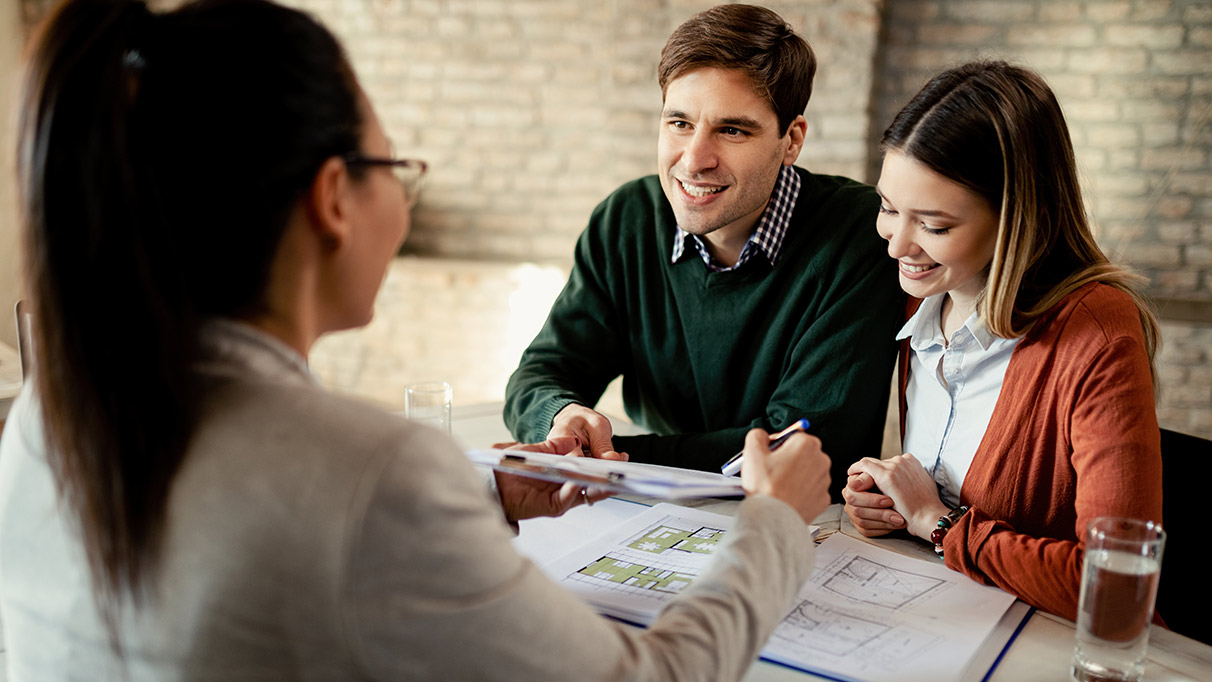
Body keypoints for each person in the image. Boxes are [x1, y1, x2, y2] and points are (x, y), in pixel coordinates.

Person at [0, 0, 835, 678]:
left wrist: (485, 499)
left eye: (732, 129)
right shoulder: (377, 471)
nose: (695, 155)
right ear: (334, 199)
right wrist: (770, 525)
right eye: (394, 165)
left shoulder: (51, 408)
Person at [503, 4, 903, 498]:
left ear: (791, 139)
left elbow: (807, 446)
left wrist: (611, 463)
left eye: (732, 130)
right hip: (643, 510)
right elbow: (539, 375)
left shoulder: (859, 235)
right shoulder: (626, 219)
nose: (695, 160)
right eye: (679, 123)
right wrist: (563, 419)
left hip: (797, 521)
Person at [842, 60, 1163, 621]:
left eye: (935, 226)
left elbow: (1114, 588)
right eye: (889, 209)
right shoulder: (924, 299)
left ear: (1017, 216)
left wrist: (937, 525)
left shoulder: (1099, 331)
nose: (897, 246)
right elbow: (946, 505)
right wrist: (893, 506)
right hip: (939, 617)